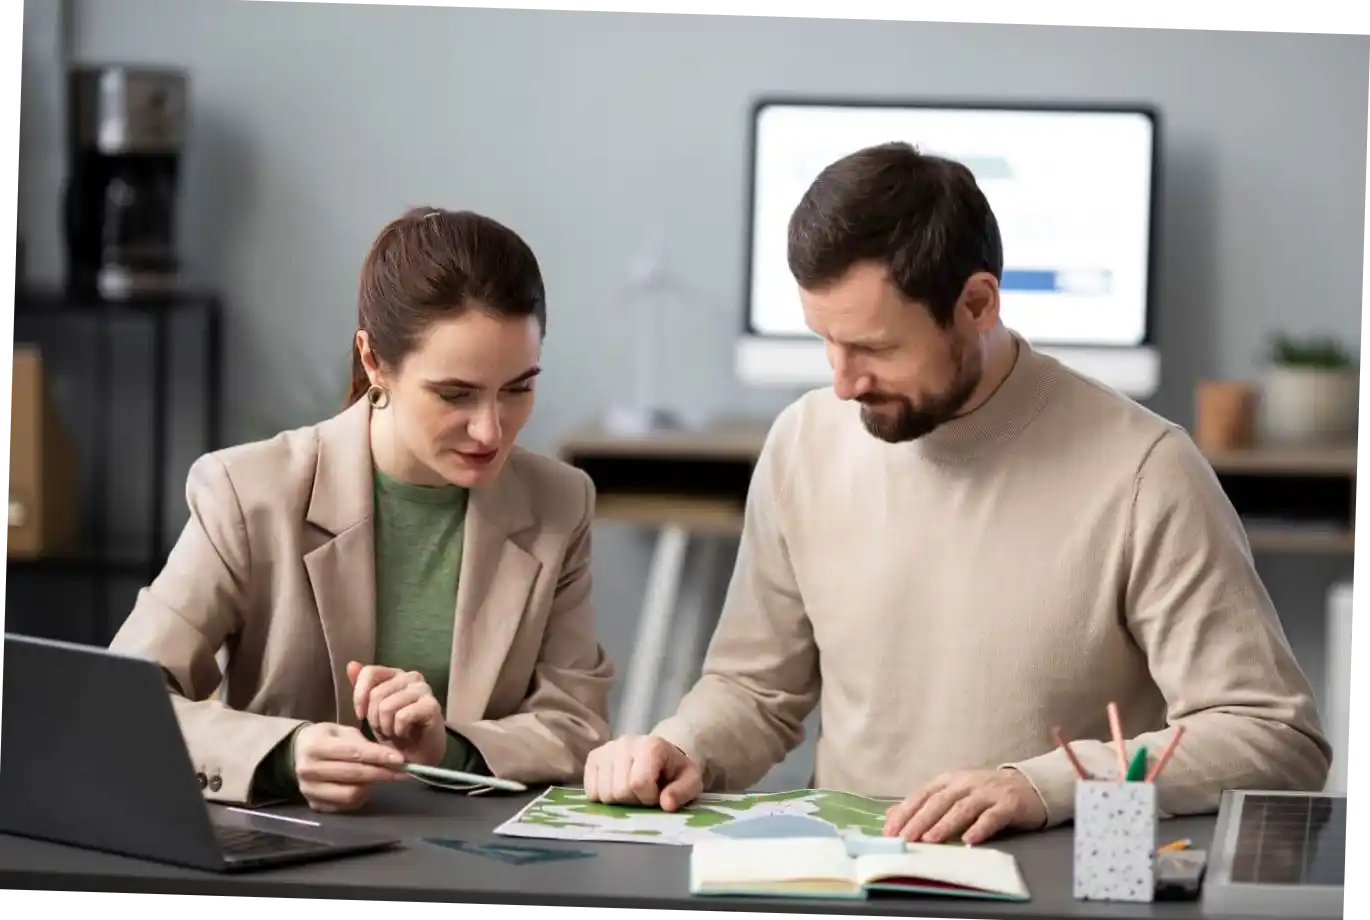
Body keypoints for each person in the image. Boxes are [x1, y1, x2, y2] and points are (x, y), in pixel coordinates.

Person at [583, 143, 1330, 844]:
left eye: (875, 347)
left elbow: (1272, 736)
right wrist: (683, 745)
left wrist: (1040, 787)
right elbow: (754, 690)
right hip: (845, 878)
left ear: (977, 303)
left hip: (1052, 881)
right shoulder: (804, 441)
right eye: (826, 342)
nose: (843, 383)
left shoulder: (1146, 471)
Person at [112, 207, 614, 812]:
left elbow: (575, 724)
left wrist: (446, 748)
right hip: (289, 845)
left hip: (476, 848)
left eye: (518, 388)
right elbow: (125, 702)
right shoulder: (248, 493)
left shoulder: (559, 502)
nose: (490, 430)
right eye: (455, 394)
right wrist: (284, 755)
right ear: (374, 361)